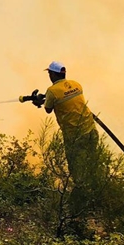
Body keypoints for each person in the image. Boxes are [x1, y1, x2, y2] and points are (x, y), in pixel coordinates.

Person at [34, 61, 104, 219]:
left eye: (49, 73)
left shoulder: (52, 91)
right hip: (91, 132)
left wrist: (39, 101)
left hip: (74, 137)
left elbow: (48, 109)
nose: (49, 76)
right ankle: (98, 197)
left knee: (77, 171)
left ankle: (79, 207)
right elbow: (67, 98)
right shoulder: (76, 84)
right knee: (92, 165)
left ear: (53, 74)